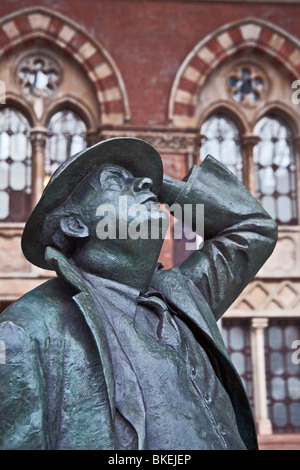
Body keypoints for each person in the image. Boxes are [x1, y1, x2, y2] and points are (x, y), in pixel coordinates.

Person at [0, 137, 277, 450]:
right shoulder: (28, 331)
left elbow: (253, 229)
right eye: (115, 182)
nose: (144, 183)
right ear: (76, 224)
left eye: (143, 181)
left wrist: (163, 189)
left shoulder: (184, 296)